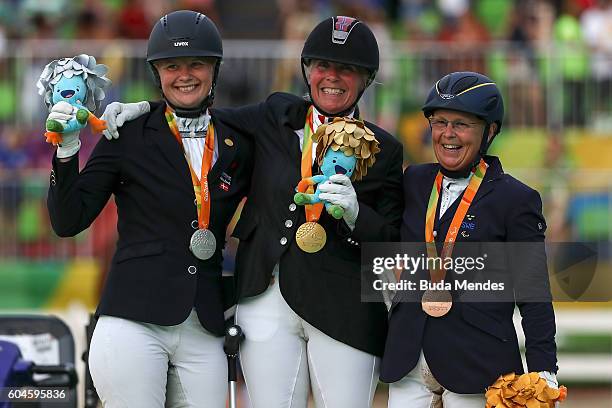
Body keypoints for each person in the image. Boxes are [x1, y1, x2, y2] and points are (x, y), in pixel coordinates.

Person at [104, 16, 404, 408]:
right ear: (307, 71)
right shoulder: (276, 115)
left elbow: (394, 242)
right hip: (265, 300)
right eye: (322, 66)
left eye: (347, 69)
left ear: (366, 79)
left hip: (343, 307)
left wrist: (354, 215)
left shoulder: (384, 149)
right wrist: (143, 109)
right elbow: (204, 113)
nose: (332, 77)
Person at [46, 10, 253, 407]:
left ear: (215, 70)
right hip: (133, 319)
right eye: (172, 66)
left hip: (205, 323)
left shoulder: (237, 140)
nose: (185, 75)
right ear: (156, 74)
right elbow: (68, 219)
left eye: (197, 64)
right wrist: (67, 149)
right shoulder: (127, 133)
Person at [379, 71, 558, 407]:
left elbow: (533, 292)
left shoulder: (516, 200)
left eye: (462, 124)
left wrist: (544, 369)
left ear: (489, 131)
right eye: (440, 122)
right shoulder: (414, 182)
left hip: (478, 363)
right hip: (409, 358)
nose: (448, 134)